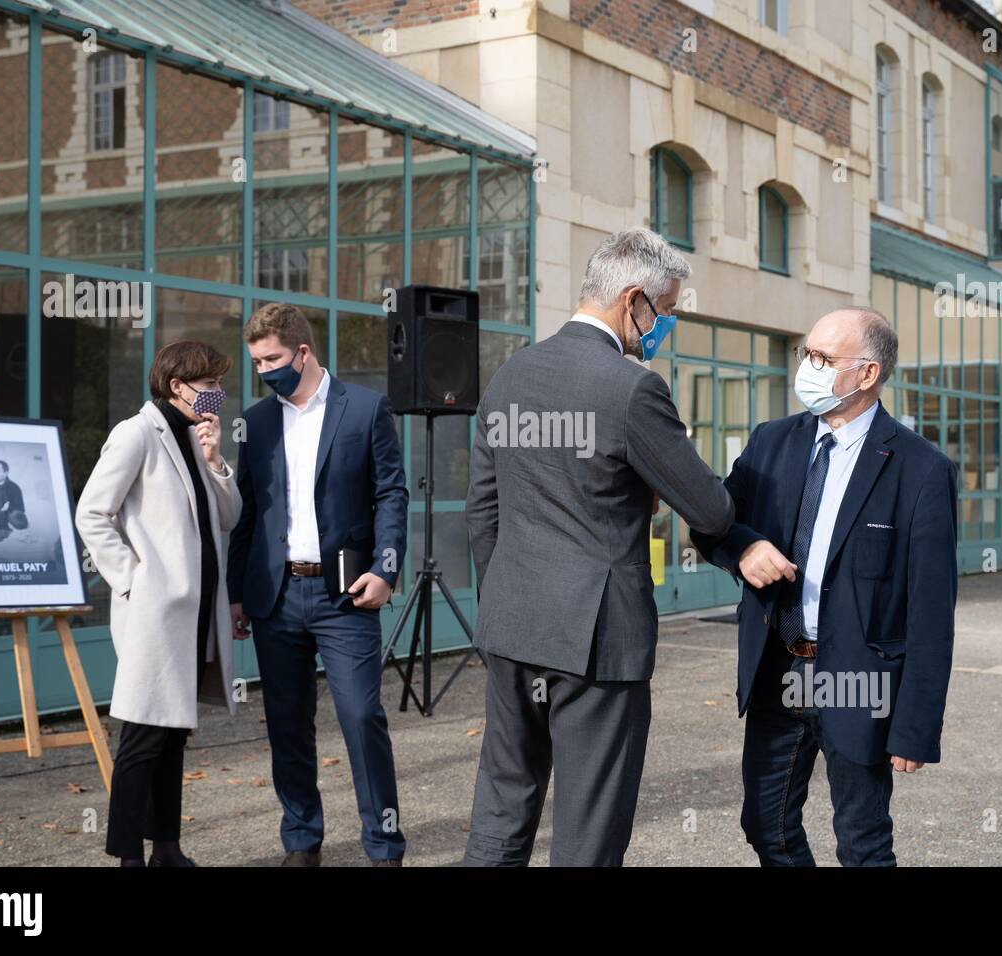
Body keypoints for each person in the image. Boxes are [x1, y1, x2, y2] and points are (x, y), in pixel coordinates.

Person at [462, 227, 735, 867]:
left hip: (512, 624)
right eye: (664, 312)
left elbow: (483, 509)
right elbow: (712, 509)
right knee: (588, 827)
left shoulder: (510, 374)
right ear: (632, 300)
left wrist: (503, 595)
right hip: (597, 638)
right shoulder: (633, 388)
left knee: (502, 806)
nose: (664, 326)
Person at [690, 307, 958, 866]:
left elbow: (932, 610)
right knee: (765, 825)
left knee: (862, 841)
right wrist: (742, 549)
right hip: (778, 670)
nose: (807, 368)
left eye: (822, 359)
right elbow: (709, 520)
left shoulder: (921, 469)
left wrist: (916, 725)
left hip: (860, 678)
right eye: (805, 355)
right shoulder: (771, 442)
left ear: (867, 374)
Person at [227, 302, 408, 867]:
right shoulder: (254, 422)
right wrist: (236, 592)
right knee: (287, 724)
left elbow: (391, 494)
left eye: (273, 358)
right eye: (256, 362)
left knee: (360, 715)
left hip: (346, 594)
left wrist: (386, 569)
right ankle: (302, 841)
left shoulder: (366, 408)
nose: (264, 370)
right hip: (276, 597)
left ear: (302, 352)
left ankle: (383, 844)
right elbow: (248, 512)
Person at [75, 340, 242, 867]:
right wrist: (133, 581)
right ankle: (128, 858)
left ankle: (166, 848)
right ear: (177, 386)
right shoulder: (135, 433)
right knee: (142, 738)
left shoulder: (197, 437)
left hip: (195, 615)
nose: (217, 394)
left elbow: (229, 517)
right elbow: (91, 514)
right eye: (209, 385)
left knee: (173, 734)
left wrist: (216, 463)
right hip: (156, 615)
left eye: (219, 384)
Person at [0, 460, 24, 541]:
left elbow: (21, 510)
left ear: (6, 473)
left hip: (12, 529)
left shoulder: (14, 488)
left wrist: (9, 507)